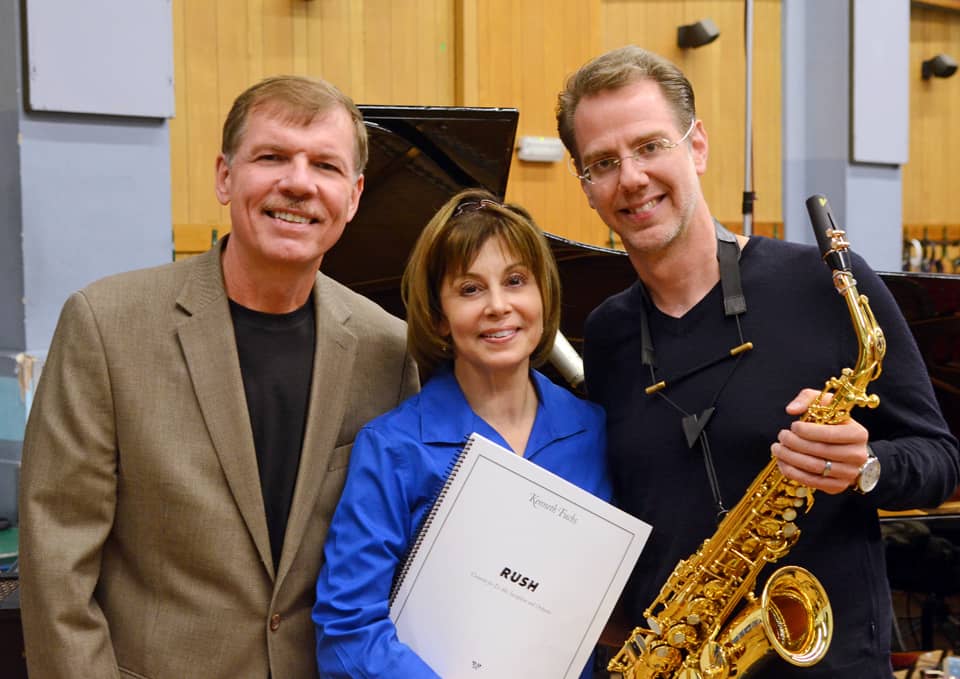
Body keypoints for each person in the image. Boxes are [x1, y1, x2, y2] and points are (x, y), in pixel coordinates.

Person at [556, 45, 960, 678]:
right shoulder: (605, 335)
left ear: (697, 147)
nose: (630, 178)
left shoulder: (829, 285)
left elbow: (940, 457)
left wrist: (867, 466)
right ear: (585, 187)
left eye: (650, 146)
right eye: (602, 163)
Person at [18, 75, 419, 679]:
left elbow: (401, 558)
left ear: (354, 195)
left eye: (325, 166)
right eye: (272, 157)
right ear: (224, 177)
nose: (299, 183)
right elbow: (57, 564)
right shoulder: (106, 326)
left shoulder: (388, 349)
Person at [312, 188, 611, 678]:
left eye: (516, 281)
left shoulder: (594, 430)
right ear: (438, 316)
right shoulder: (392, 448)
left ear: (543, 295)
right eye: (470, 290)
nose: (498, 306)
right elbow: (347, 628)